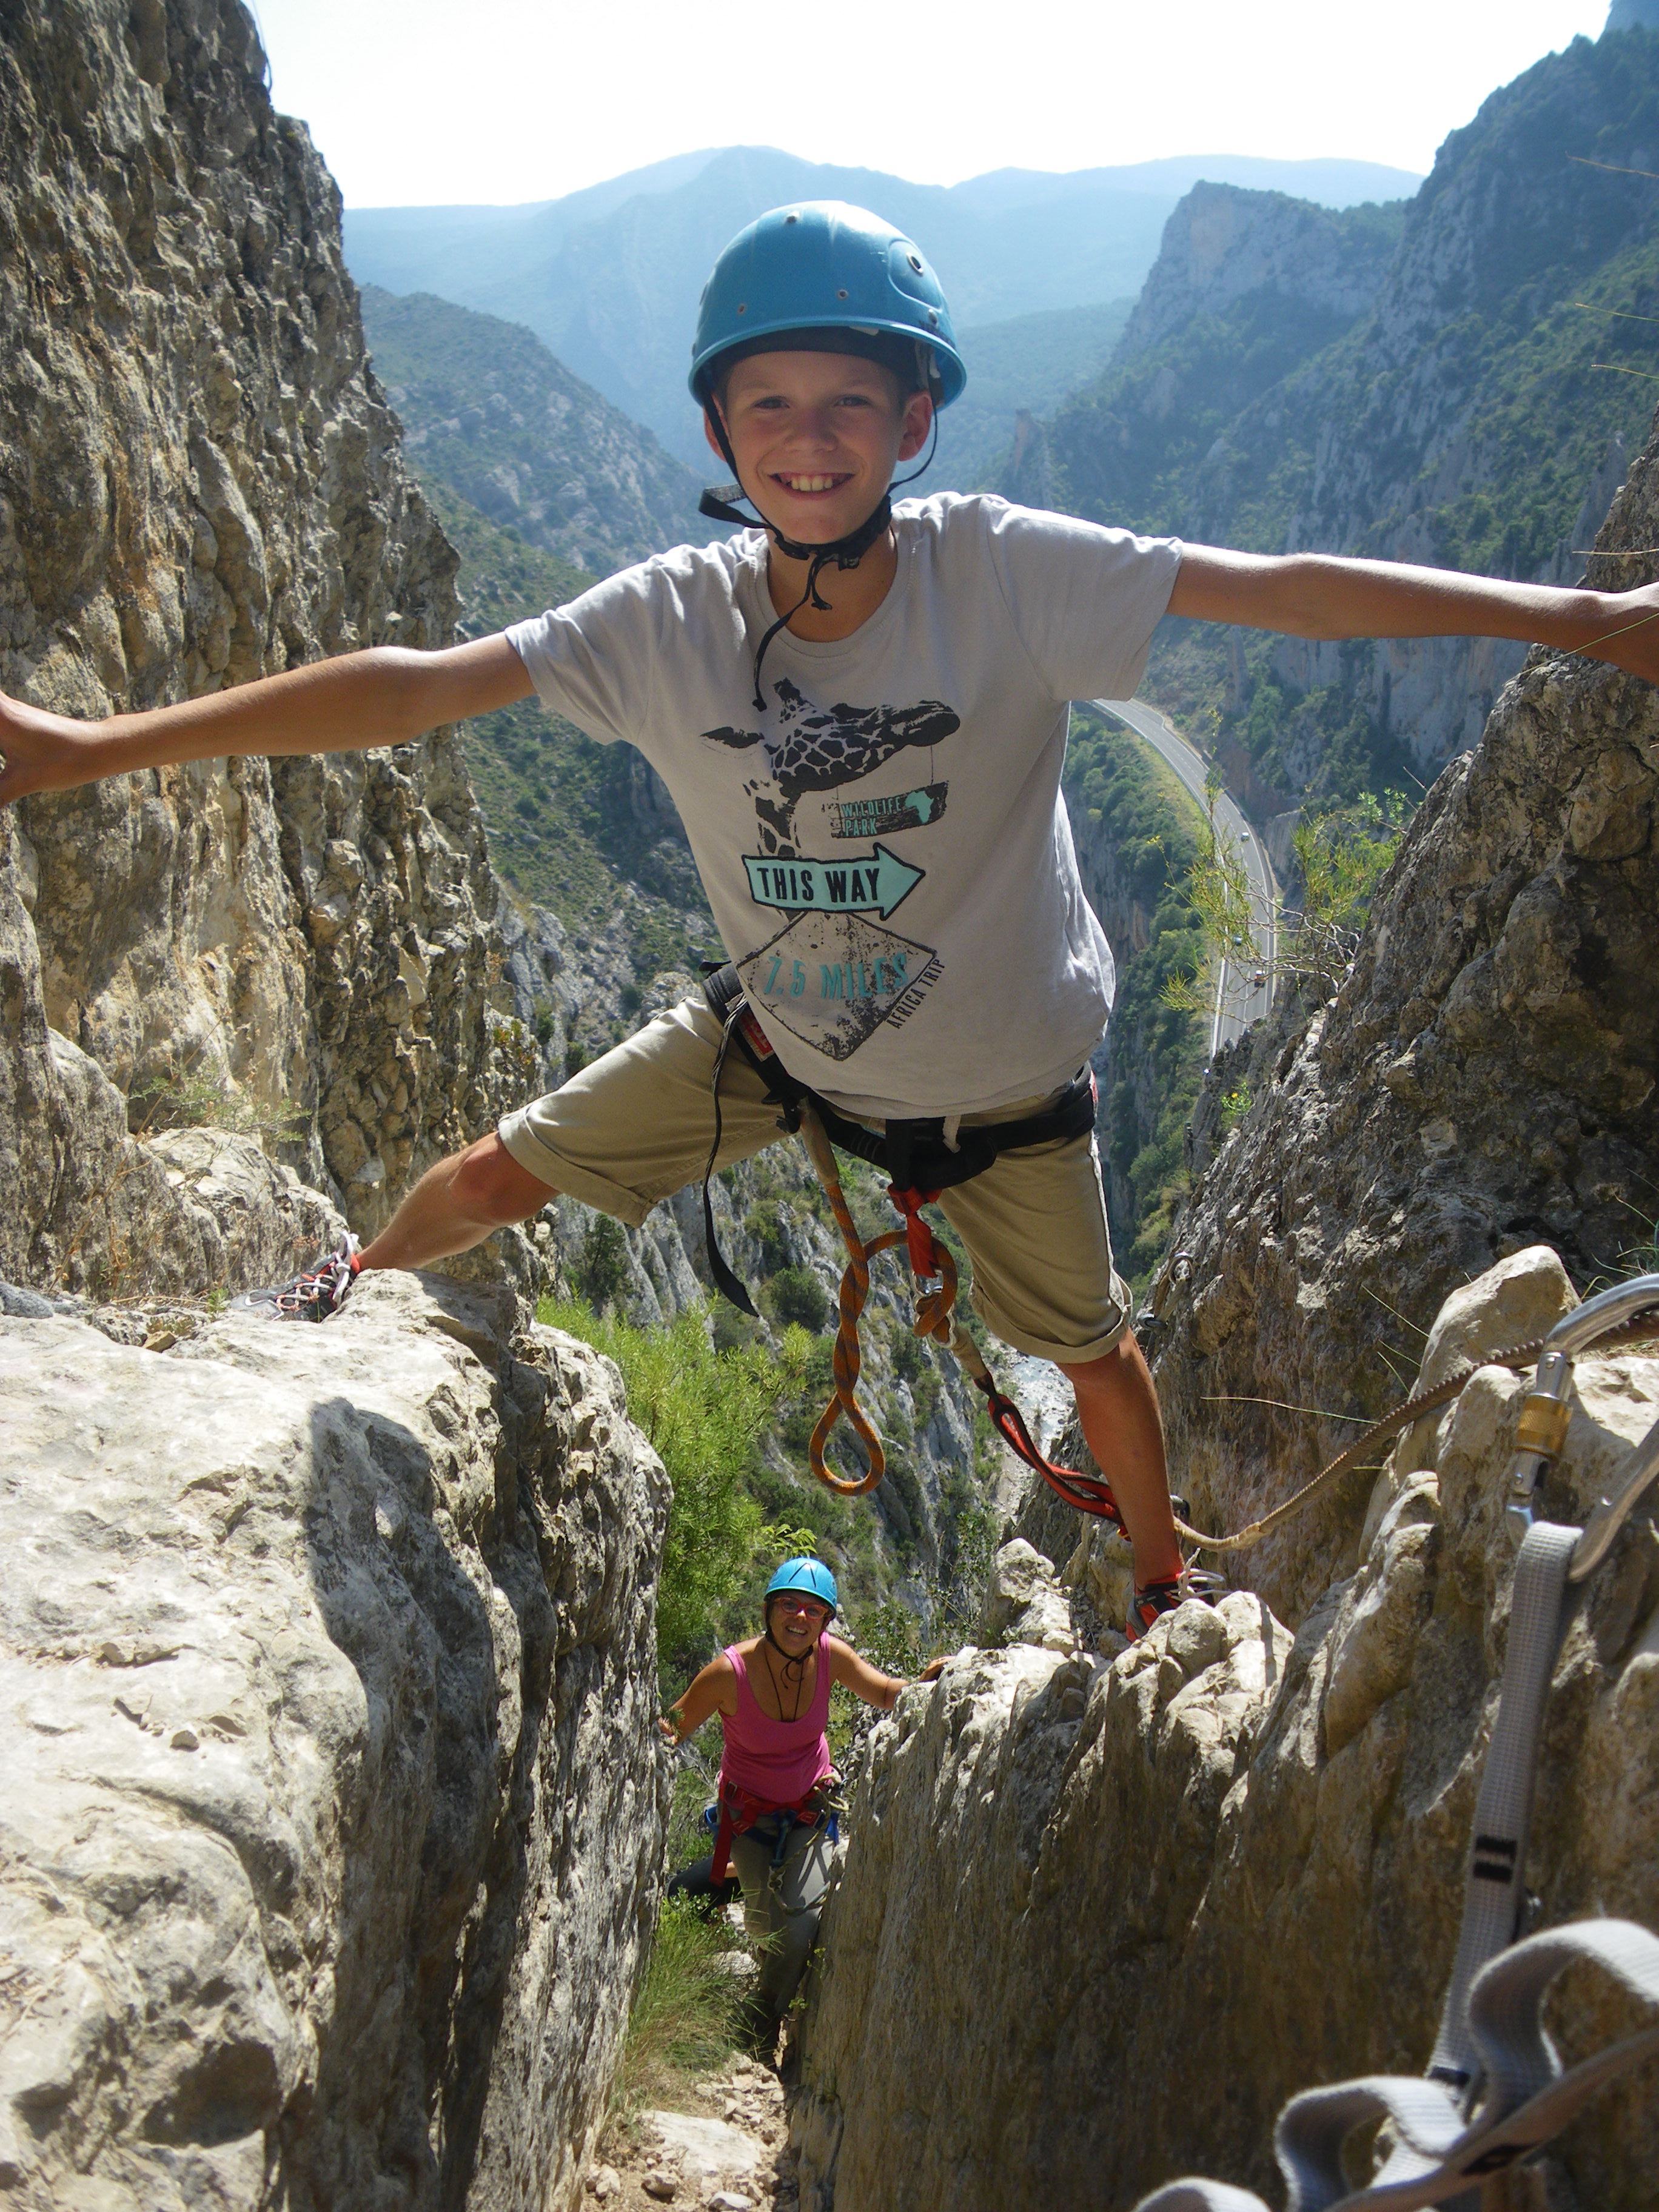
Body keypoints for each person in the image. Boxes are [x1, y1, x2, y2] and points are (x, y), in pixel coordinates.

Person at [4, 200, 1658, 1637]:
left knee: (1094, 1354)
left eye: (847, 404)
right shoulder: (668, 619)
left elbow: (1282, 589)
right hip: (784, 1038)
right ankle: (350, 1270)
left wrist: (1589, 620)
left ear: (914, 419)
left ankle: (1162, 1582)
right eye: (770, 404)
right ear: (722, 433)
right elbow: (416, 692)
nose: (809, 438)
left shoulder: (1005, 575)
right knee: (503, 1168)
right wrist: (99, 747)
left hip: (1007, 1098)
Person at [660, 1557, 945, 2055]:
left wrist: (926, 1685)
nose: (800, 1617)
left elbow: (880, 1691)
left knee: (799, 1927)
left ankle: (758, 2029)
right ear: (770, 1611)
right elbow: (672, 1728)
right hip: (748, 1822)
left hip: (810, 1810)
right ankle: (752, 1985)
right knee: (762, 1927)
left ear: (826, 1622)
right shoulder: (730, 1672)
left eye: (814, 1610)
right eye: (789, 1604)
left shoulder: (831, 1657)